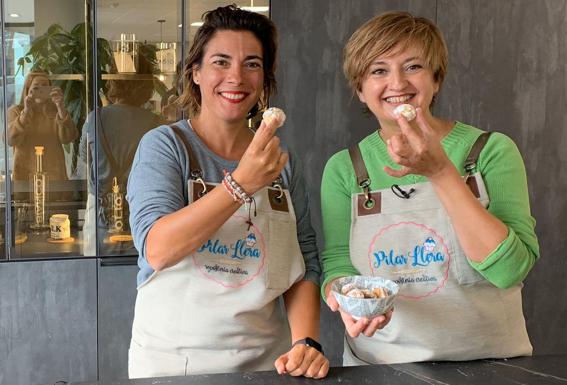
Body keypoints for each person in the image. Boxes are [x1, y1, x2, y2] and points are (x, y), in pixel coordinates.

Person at [321, 12, 540, 365]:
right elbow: (338, 264)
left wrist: (440, 172)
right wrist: (346, 301)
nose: (397, 83)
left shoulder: (489, 151)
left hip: (490, 363)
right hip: (379, 365)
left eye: (413, 66)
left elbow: (510, 270)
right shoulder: (345, 168)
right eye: (378, 70)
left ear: (436, 80)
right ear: (360, 89)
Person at [126, 5, 328, 379]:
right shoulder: (165, 146)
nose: (236, 76)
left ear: (264, 79)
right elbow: (157, 248)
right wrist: (240, 184)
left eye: (252, 64)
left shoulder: (281, 163)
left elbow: (304, 264)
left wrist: (305, 343)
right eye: (221, 61)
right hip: (177, 364)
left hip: (269, 363)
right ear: (196, 73)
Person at [80, 53, 163, 256]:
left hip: (99, 214)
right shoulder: (156, 123)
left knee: (96, 275)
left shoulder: (95, 118)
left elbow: (85, 155)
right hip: (140, 211)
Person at [7, 71, 78, 199]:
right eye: (36, 87)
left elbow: (69, 137)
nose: (40, 89)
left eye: (44, 86)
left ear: (51, 89)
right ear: (28, 89)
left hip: (55, 182)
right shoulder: (16, 112)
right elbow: (10, 139)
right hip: (25, 182)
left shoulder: (55, 112)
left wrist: (60, 106)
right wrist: (26, 112)